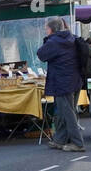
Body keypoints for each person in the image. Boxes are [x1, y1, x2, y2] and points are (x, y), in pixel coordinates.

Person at [36, 17, 84, 151]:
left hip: (62, 82)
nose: (45, 31)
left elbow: (41, 54)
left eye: (46, 28)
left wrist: (48, 39)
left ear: (51, 29)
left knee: (67, 113)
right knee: (66, 112)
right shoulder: (71, 38)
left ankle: (78, 143)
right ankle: (60, 139)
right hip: (75, 80)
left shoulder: (55, 42)